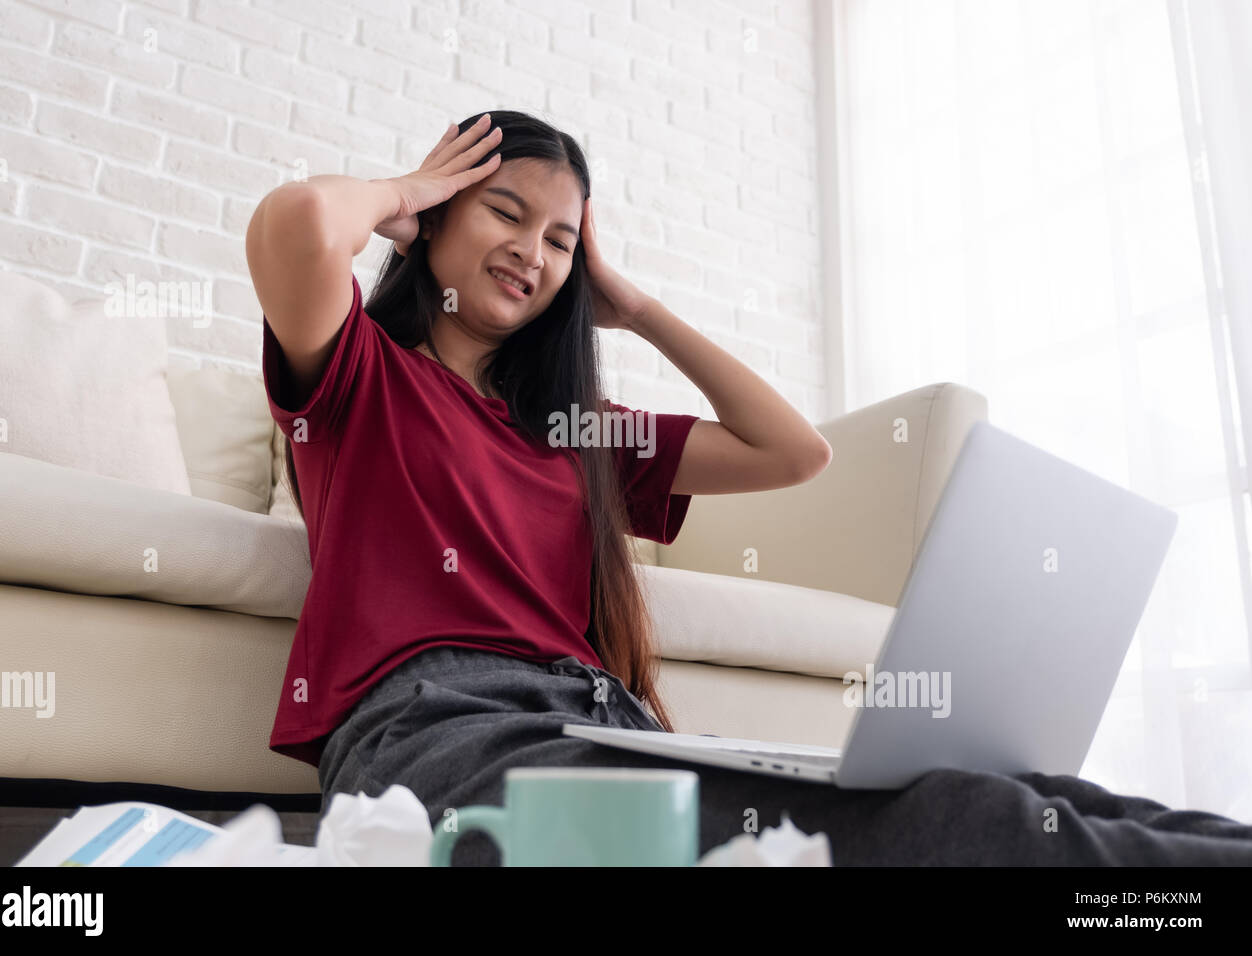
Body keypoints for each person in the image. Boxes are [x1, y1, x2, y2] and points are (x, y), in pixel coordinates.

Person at [246, 109, 1252, 866]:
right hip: (442, 737)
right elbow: (295, 221)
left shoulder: (576, 434)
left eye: (561, 239)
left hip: (605, 723)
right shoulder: (360, 373)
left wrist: (633, 307)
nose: (534, 252)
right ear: (431, 220)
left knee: (1019, 792)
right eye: (505, 212)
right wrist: (401, 188)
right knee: (958, 830)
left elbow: (792, 449)